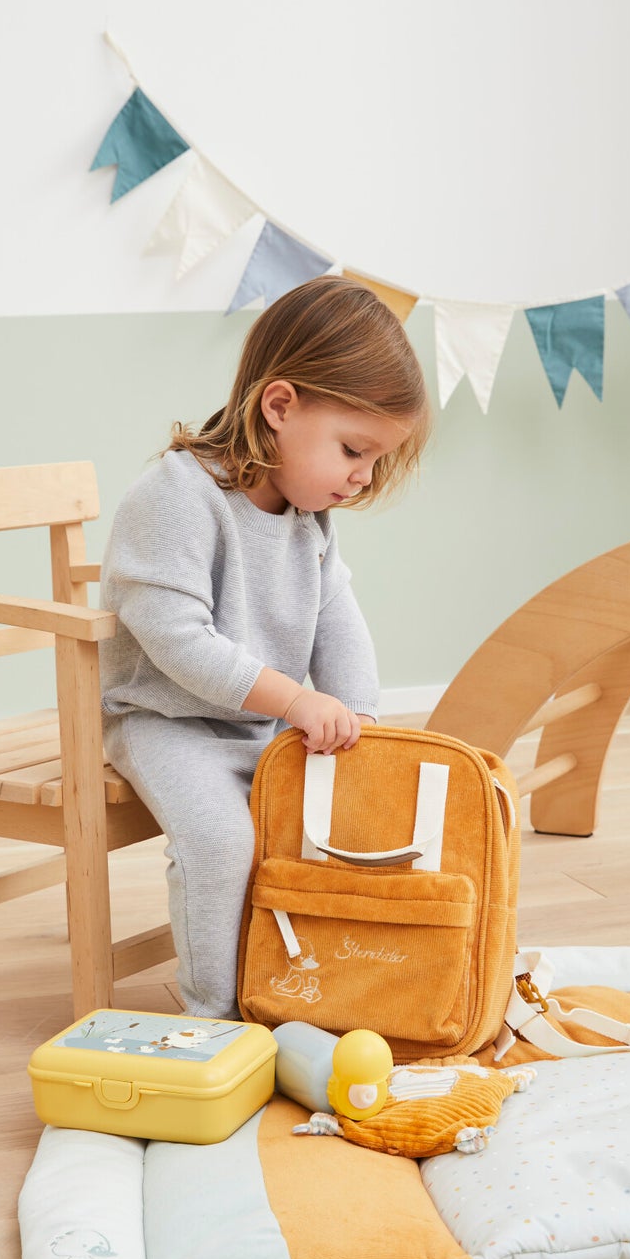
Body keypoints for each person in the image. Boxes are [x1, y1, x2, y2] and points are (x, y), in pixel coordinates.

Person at [100, 274, 430, 1018]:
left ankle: (298, 985)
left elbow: (335, 612)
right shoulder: (173, 498)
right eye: (353, 449)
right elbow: (178, 642)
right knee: (221, 842)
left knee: (330, 826)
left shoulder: (305, 512)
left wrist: (358, 715)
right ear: (279, 407)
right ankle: (215, 1014)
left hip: (261, 720)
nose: (361, 477)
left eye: (375, 459)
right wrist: (296, 699)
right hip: (163, 721)